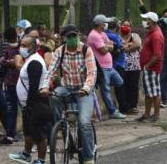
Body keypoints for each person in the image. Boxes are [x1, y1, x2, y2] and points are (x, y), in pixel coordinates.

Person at [40, 24, 97, 164]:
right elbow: (50, 71)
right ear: (64, 38)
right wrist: (44, 87)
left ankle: (89, 158)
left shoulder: (86, 50)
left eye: (74, 36)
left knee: (84, 123)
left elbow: (92, 73)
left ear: (78, 35)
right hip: (67, 87)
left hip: (84, 90)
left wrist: (86, 89)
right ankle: (61, 126)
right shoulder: (60, 51)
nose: (72, 38)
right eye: (69, 36)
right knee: (53, 96)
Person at [134, 0, 167, 106]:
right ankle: (164, 98)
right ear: (162, 17)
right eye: (165, 16)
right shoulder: (159, 26)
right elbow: (148, 15)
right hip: (162, 57)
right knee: (163, 78)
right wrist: (140, 3)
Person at [9, 37, 48, 164]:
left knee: (38, 133)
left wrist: (30, 105)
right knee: (28, 130)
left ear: (33, 47)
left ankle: (41, 160)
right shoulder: (30, 60)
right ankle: (26, 154)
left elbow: (34, 87)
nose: (22, 47)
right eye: (21, 45)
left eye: (25, 45)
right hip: (28, 104)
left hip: (34, 103)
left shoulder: (35, 62)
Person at [87, 14, 126, 119]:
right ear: (100, 24)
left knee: (119, 81)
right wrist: (108, 46)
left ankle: (103, 83)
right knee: (106, 90)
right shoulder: (94, 35)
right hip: (102, 67)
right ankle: (113, 111)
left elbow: (111, 45)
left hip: (109, 66)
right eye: (105, 23)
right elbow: (104, 50)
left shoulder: (102, 34)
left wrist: (107, 46)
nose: (106, 25)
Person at [137, 12, 164, 123]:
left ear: (152, 21)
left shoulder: (156, 35)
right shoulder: (151, 32)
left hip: (152, 68)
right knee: (148, 93)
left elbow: (157, 54)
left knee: (154, 92)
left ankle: (156, 115)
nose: (144, 21)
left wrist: (147, 66)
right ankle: (147, 114)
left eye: (146, 19)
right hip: (148, 68)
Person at [0, 27, 22, 143]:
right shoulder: (21, 47)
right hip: (18, 82)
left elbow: (3, 62)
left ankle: (10, 134)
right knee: (21, 108)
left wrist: (10, 62)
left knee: (11, 109)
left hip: (11, 82)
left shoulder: (6, 49)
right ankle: (14, 133)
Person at [106, 20, 129, 114]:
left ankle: (121, 106)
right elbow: (121, 47)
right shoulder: (114, 36)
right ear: (116, 26)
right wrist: (124, 47)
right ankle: (123, 107)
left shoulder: (106, 34)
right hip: (118, 64)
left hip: (114, 63)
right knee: (120, 86)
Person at [120, 20, 142, 114]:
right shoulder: (118, 36)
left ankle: (133, 106)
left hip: (134, 66)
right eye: (124, 25)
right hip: (122, 66)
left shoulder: (134, 36)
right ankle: (125, 107)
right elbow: (118, 46)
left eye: (128, 25)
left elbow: (138, 44)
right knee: (123, 86)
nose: (126, 27)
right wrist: (129, 45)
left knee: (133, 86)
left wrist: (126, 47)